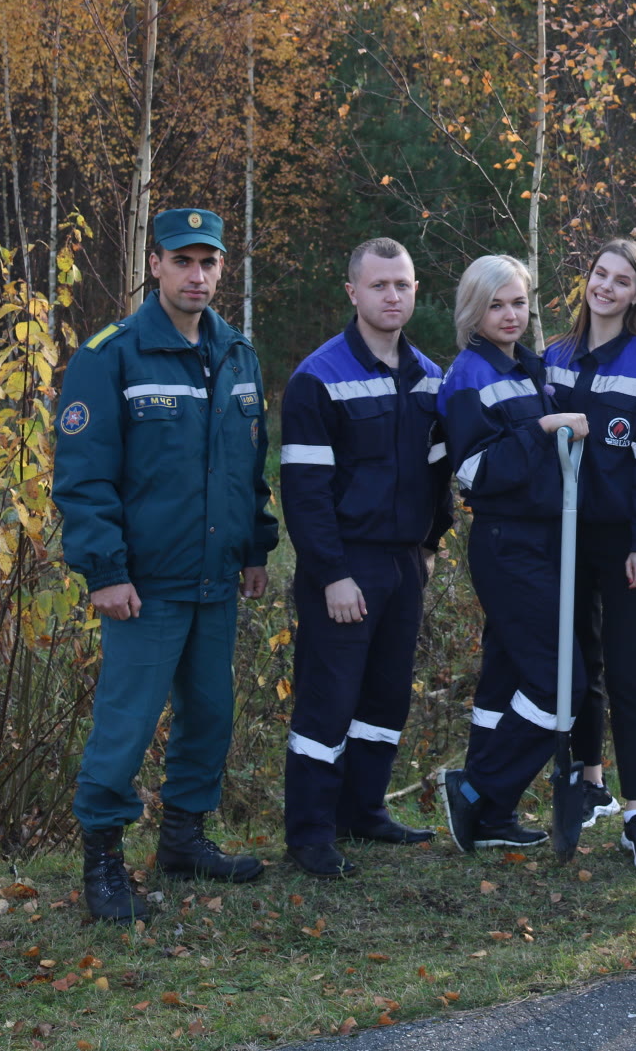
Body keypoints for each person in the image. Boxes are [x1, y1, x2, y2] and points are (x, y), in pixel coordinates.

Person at [53, 207, 278, 923]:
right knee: (126, 725)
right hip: (143, 586)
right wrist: (105, 571)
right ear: (155, 265)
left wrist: (255, 546)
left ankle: (183, 842)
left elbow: (249, 464)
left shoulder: (237, 353)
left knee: (210, 714)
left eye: (209, 262)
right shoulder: (111, 354)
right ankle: (103, 864)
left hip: (217, 577)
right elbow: (83, 478)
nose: (197, 275)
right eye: (183, 260)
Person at [277, 238, 452, 877]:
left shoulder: (432, 377)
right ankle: (311, 833)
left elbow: (440, 476)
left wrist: (431, 545)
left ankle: (364, 810)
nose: (392, 296)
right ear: (352, 292)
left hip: (405, 564)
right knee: (329, 700)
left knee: (385, 699)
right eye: (379, 285)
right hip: (344, 566)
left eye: (402, 285)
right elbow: (305, 491)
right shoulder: (318, 378)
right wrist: (331, 574)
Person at [544, 239, 636, 871]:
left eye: (621, 280)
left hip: (623, 542)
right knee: (576, 670)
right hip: (560, 539)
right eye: (599, 274)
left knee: (625, 675)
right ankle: (586, 782)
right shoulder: (551, 358)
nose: (605, 286)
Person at [437, 255, 589, 852]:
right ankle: (477, 789)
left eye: (519, 303)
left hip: (547, 539)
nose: (510, 315)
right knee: (562, 681)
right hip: (507, 544)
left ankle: (489, 817)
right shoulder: (468, 376)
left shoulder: (531, 367)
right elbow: (473, 470)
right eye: (496, 304)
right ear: (474, 310)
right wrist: (543, 429)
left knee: (507, 679)